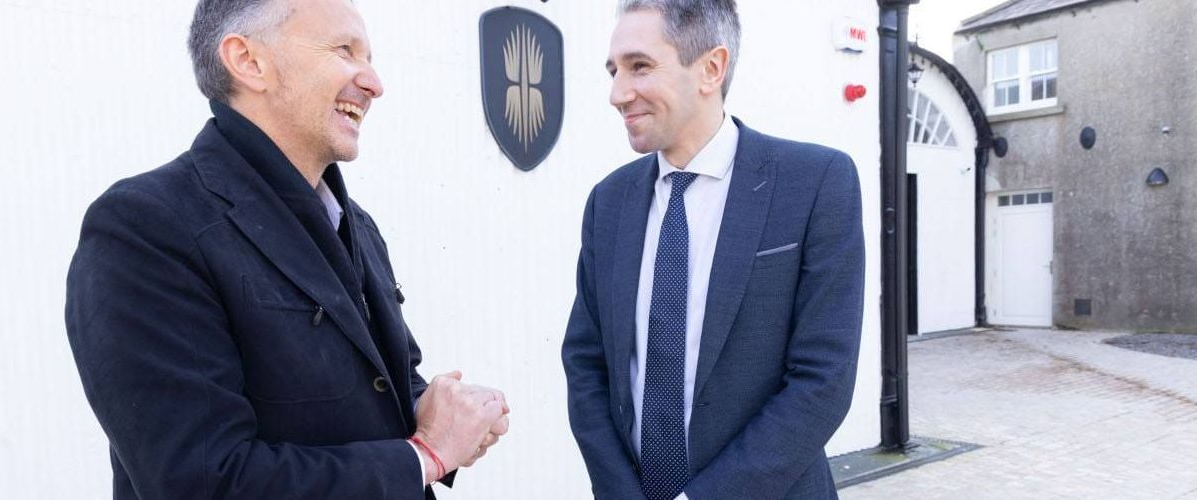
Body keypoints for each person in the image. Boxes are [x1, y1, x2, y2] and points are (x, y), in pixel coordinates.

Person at [64, 0, 508, 497]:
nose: (374, 83)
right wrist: (425, 455)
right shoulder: (147, 227)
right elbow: (203, 481)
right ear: (248, 61)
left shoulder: (356, 224)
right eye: (345, 50)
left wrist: (435, 409)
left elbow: (378, 388)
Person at [561, 1, 865, 498]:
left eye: (639, 66)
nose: (617, 93)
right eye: (613, 71)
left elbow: (822, 382)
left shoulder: (814, 184)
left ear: (711, 68)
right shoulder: (608, 204)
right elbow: (586, 363)